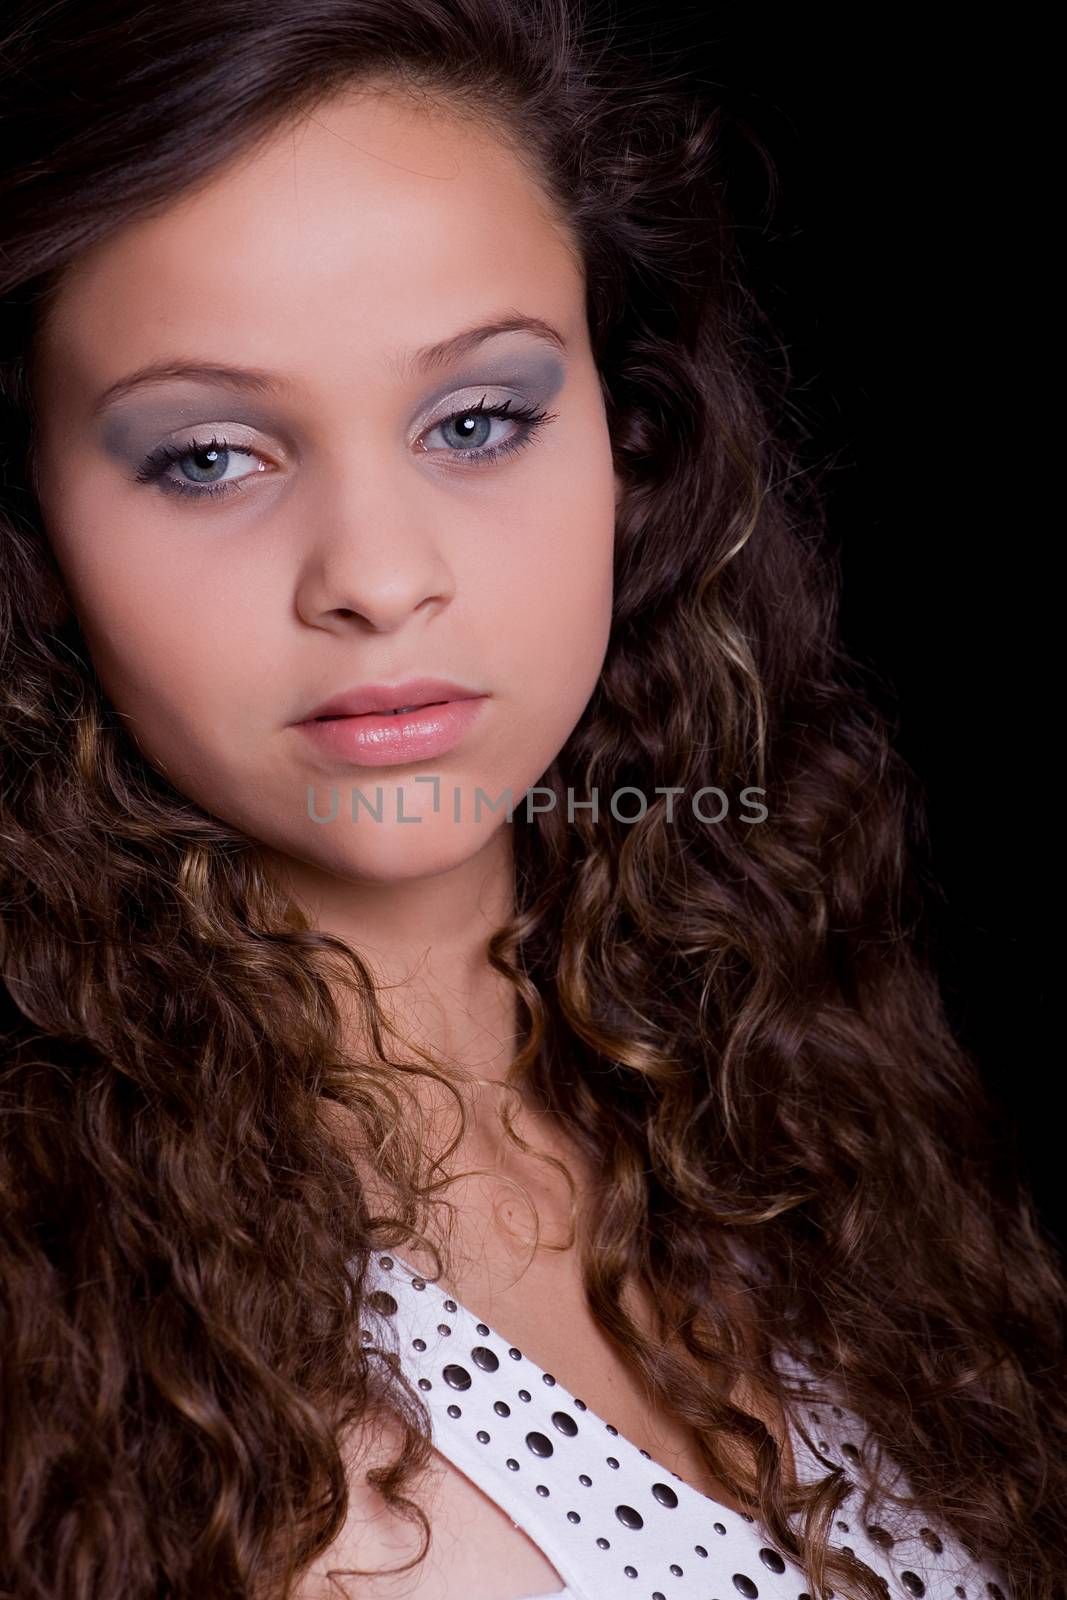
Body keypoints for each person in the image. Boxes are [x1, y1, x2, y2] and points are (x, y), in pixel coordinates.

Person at [0, 2, 1062, 1597]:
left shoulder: (789, 1093)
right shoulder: (46, 1280)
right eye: (212, 457)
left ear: (631, 448)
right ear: (34, 529)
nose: (376, 576)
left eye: (477, 422)